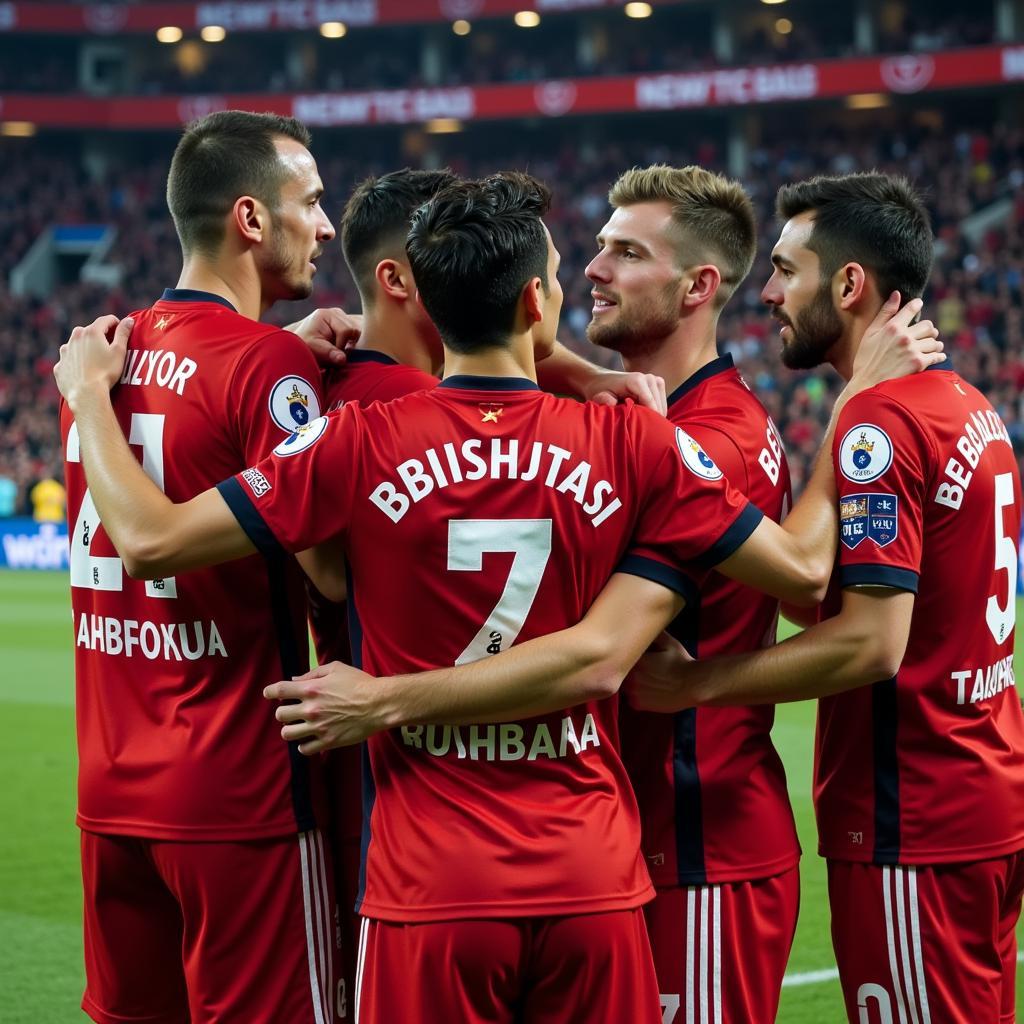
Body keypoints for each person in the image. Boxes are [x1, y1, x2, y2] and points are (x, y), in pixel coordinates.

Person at [55, 171, 937, 1023]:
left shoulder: (351, 440)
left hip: (424, 884)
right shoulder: (635, 444)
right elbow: (803, 574)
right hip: (592, 870)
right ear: (536, 306)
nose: (582, 279)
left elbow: (155, 540)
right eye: (565, 270)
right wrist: (856, 401)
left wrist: (91, 396)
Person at [626, 172, 1024, 1024]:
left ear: (848, 286)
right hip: (980, 796)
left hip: (912, 818)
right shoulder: (968, 405)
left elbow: (870, 645)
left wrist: (695, 683)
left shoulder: (878, 424)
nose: (764, 293)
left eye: (784, 270)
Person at [60, 109, 343, 1024]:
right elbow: (331, 576)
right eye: (312, 201)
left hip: (110, 781)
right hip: (236, 793)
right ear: (252, 220)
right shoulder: (265, 369)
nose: (327, 226)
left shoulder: (98, 358)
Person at [583, 163, 800, 1024]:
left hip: (702, 847)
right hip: (647, 836)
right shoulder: (666, 420)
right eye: (598, 247)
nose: (595, 268)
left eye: (626, 253)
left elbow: (602, 648)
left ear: (698, 285)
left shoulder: (719, 442)